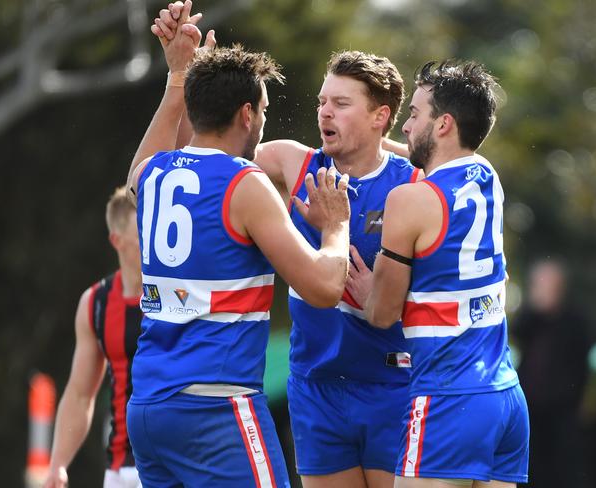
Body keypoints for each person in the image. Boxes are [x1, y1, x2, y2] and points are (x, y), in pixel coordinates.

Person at [153, 5, 420, 486]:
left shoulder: (415, 184)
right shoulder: (290, 162)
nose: (323, 111)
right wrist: (200, 81)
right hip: (315, 386)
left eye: (341, 103)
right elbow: (202, 149)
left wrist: (385, 296)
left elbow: (464, 175)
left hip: (391, 384)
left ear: (381, 115)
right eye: (322, 101)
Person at [125, 5, 351, 487]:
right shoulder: (245, 183)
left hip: (149, 408)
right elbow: (323, 287)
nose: (265, 121)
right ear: (246, 113)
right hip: (216, 408)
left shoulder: (151, 175)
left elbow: (140, 168)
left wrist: (178, 77)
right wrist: (335, 225)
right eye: (264, 111)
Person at [346, 60, 529, 487]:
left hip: (448, 399)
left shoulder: (409, 199)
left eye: (413, 114)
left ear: (444, 124)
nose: (405, 127)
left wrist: (373, 288)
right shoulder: (487, 176)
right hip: (505, 398)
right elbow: (432, 162)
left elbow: (381, 314)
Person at [44, 186, 143, 488]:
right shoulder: (96, 303)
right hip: (120, 470)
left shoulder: (178, 293)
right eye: (143, 231)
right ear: (118, 241)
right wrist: (57, 465)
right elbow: (79, 394)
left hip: (174, 463)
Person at [512, 259, 591, 488]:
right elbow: (518, 333)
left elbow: (581, 365)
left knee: (563, 467)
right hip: (531, 406)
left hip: (562, 408)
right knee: (532, 465)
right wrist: (536, 308)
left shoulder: (574, 321)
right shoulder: (530, 318)